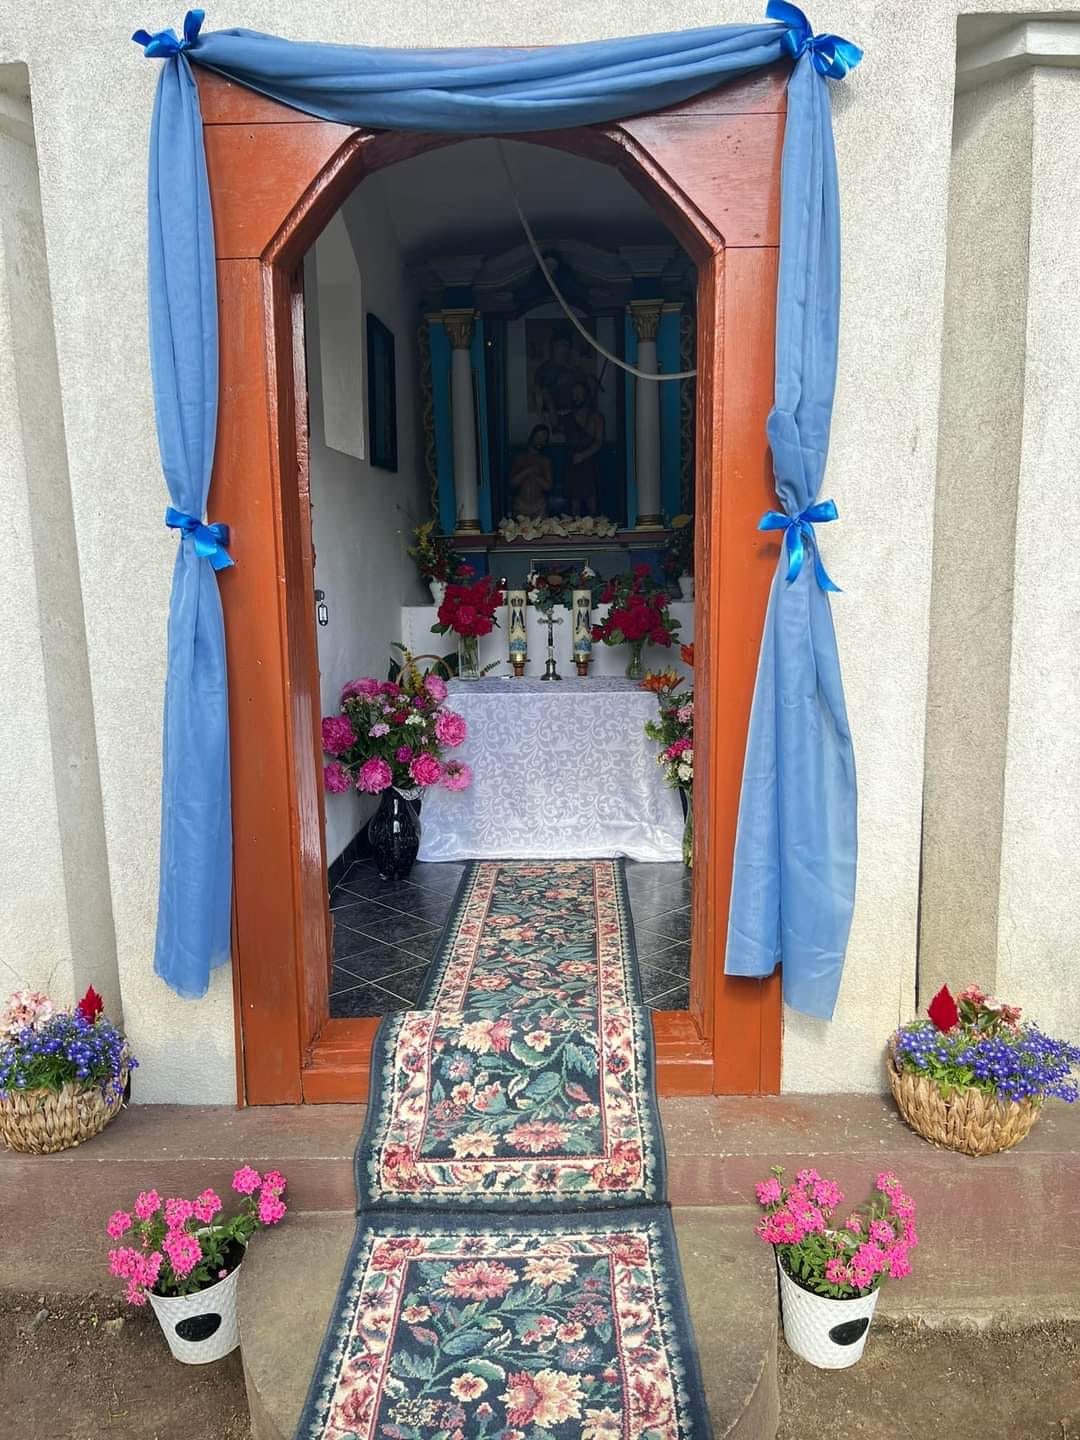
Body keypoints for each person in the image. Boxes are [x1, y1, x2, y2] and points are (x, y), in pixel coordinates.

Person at [561, 381, 603, 517]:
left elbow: (598, 442)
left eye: (580, 393)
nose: (577, 396)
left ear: (586, 395)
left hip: (589, 462)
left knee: (592, 504)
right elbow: (552, 426)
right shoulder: (568, 418)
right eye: (574, 394)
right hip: (572, 462)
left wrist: (583, 455)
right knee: (574, 506)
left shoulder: (596, 417)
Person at [508, 424, 553, 520]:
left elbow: (548, 486)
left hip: (539, 506)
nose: (541, 441)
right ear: (532, 436)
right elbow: (512, 482)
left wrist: (536, 476)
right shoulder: (520, 458)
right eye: (539, 437)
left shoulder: (544, 460)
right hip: (521, 505)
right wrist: (528, 470)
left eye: (544, 439)